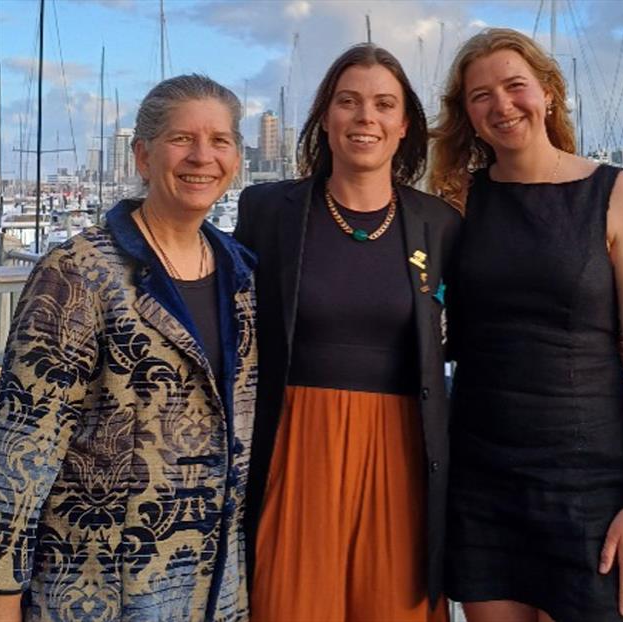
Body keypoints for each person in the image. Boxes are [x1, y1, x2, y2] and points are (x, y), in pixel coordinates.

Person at [430, 28, 623, 622]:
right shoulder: (455, 202)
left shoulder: (617, 193)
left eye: (515, 86)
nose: (501, 105)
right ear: (467, 114)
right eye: (480, 95)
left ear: (547, 92)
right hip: (482, 474)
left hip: (591, 480)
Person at [0, 74, 257, 621]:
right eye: (182, 139)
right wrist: (1, 588)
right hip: (96, 587)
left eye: (220, 141)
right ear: (142, 155)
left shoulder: (243, 277)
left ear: (236, 159)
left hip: (215, 587)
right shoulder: (79, 272)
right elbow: (24, 443)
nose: (202, 157)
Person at [234, 43, 461, 622]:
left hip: (404, 451)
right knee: (287, 605)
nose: (366, 117)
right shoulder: (268, 209)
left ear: (404, 124)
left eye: (384, 104)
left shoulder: (438, 224)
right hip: (294, 445)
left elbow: (485, 325)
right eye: (348, 101)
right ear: (325, 116)